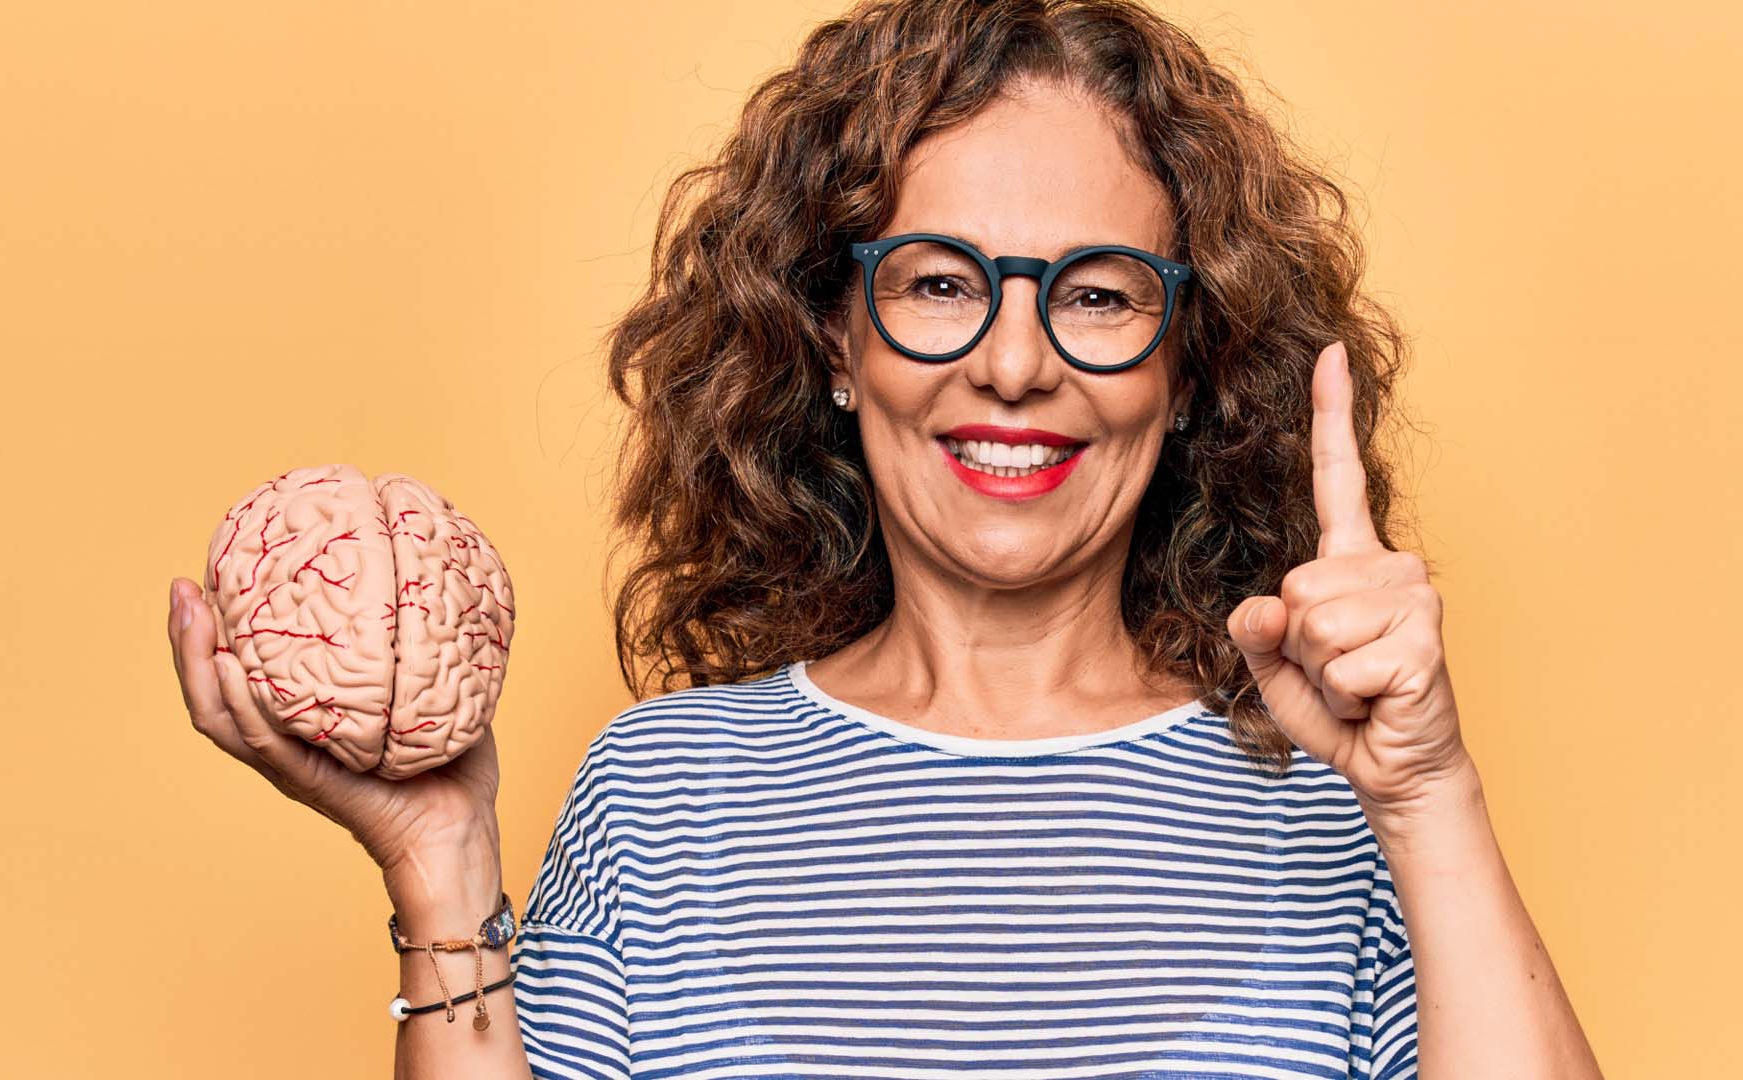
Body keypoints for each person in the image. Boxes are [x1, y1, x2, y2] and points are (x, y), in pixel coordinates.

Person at [167, 0, 1603, 1075]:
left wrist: (1426, 791)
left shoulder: (1332, 812)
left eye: (1098, 295)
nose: (1016, 365)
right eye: (938, 282)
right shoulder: (663, 798)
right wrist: (441, 863)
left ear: (1187, 369)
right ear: (838, 344)